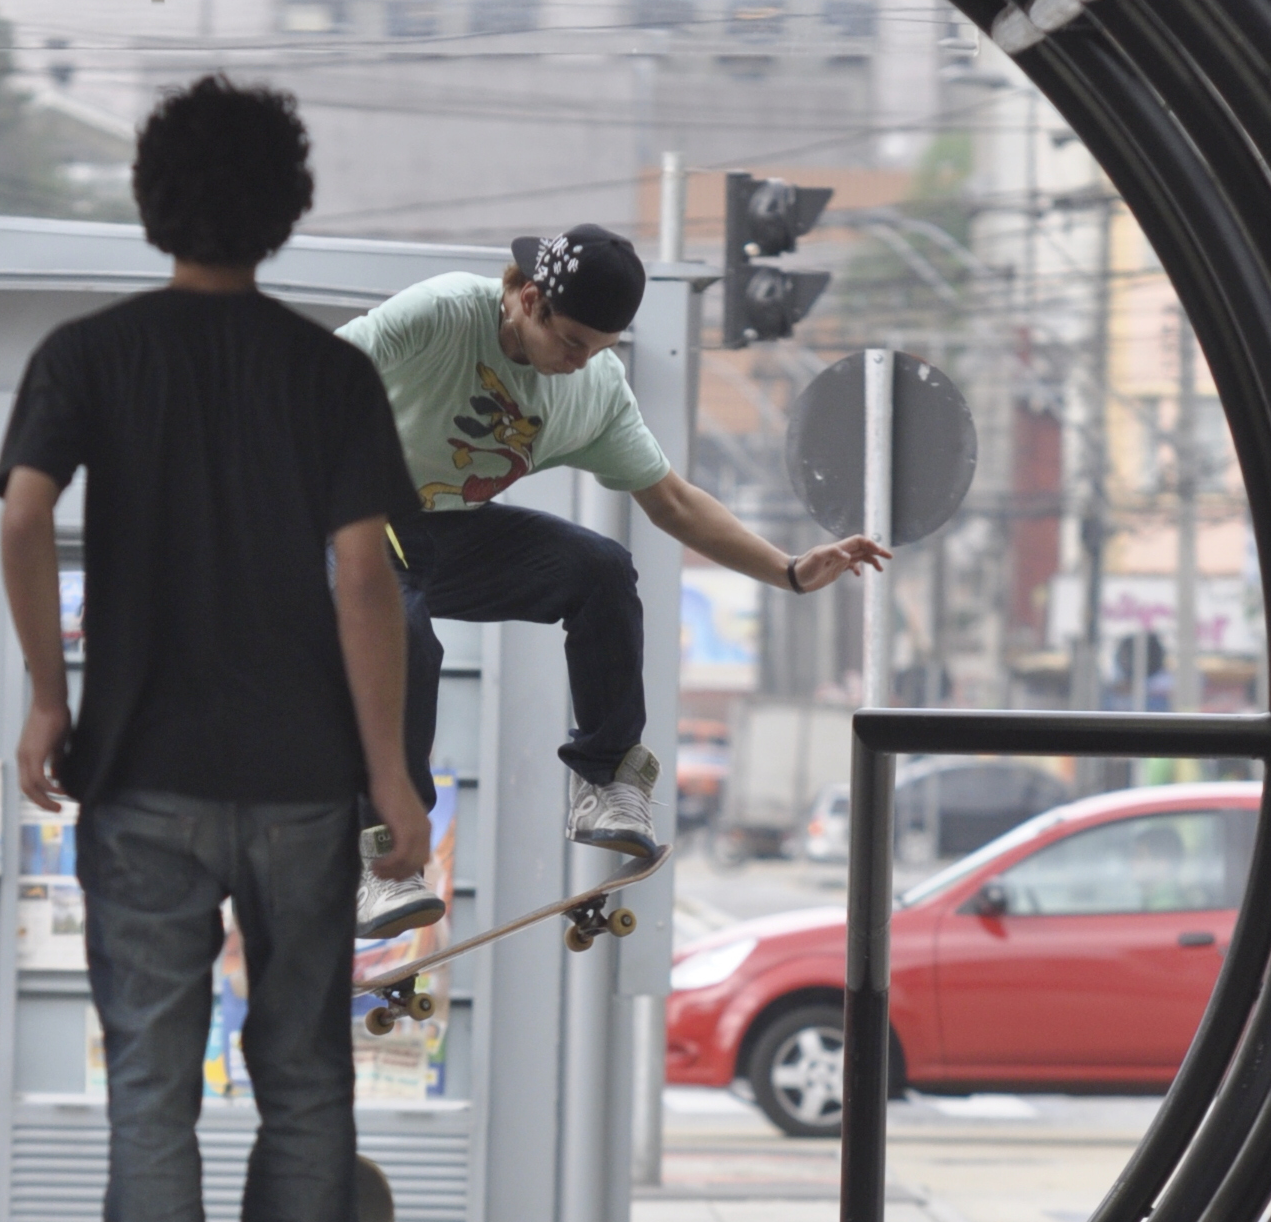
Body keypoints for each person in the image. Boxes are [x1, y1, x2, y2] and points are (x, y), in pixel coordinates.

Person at [0, 74, 426, 1222]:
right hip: (300, 780)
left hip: (143, 778)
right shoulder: (328, 372)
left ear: (150, 201)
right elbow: (361, 575)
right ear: (284, 209)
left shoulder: (87, 354)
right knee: (302, 1074)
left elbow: (22, 519)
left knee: (151, 1076)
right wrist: (390, 774)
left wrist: (47, 699)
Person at [338, 226, 892, 937]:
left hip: (442, 534)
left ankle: (604, 780)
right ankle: (383, 861)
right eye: (573, 342)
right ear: (528, 300)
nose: (581, 362)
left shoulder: (594, 389)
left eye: (602, 347)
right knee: (404, 633)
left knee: (598, 570)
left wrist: (787, 571)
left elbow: (674, 502)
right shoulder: (443, 314)